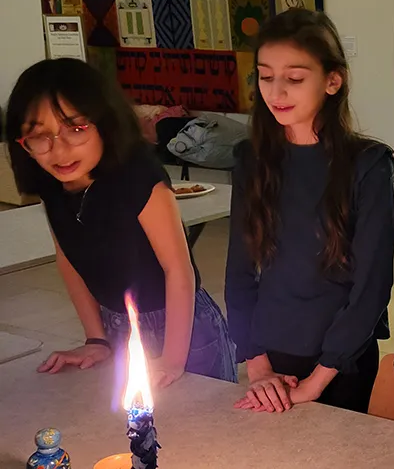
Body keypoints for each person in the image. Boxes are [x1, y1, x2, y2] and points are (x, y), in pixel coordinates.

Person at [4, 58, 237, 386]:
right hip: (117, 323)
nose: (60, 150)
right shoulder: (51, 183)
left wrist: (172, 360)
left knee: (207, 426)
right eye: (40, 137)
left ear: (105, 123)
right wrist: (96, 339)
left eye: (76, 128)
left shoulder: (138, 174)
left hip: (181, 325)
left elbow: (178, 269)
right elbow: (68, 259)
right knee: (138, 431)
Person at [226, 8, 394, 415]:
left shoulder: (368, 164)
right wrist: (256, 362)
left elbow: (371, 285)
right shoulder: (251, 158)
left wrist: (318, 381)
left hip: (342, 359)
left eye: (295, 78)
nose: (277, 92)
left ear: (332, 81)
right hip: (271, 352)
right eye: (265, 77)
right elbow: (239, 269)